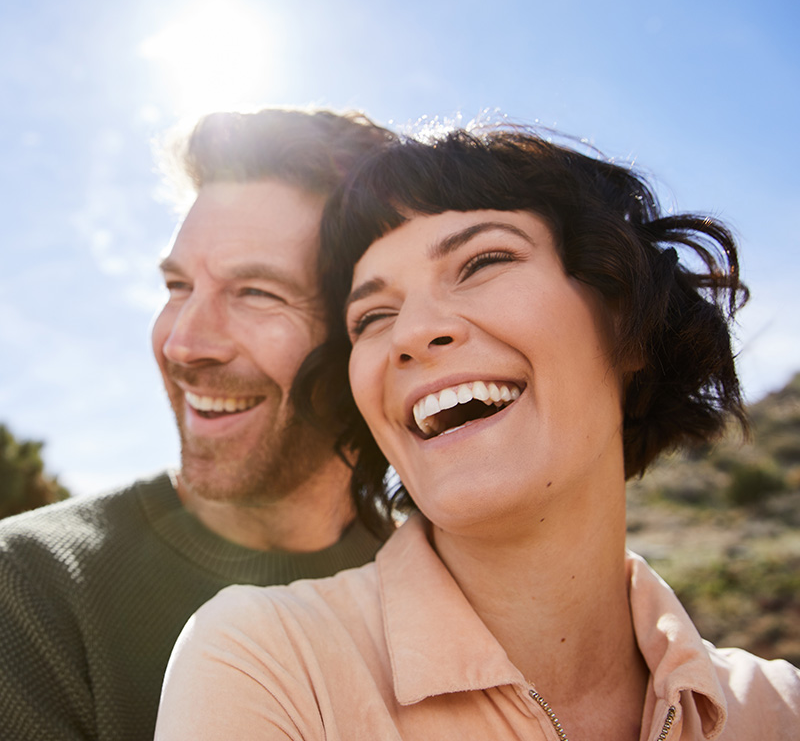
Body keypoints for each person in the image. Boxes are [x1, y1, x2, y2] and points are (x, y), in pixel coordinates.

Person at [155, 123, 800, 740]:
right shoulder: (264, 662)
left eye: (481, 262)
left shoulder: (780, 709)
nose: (410, 333)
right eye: (373, 315)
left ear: (624, 313)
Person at [0, 107, 395, 741]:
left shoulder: (451, 581)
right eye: (178, 285)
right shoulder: (28, 594)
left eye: (256, 292)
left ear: (369, 330)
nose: (184, 344)